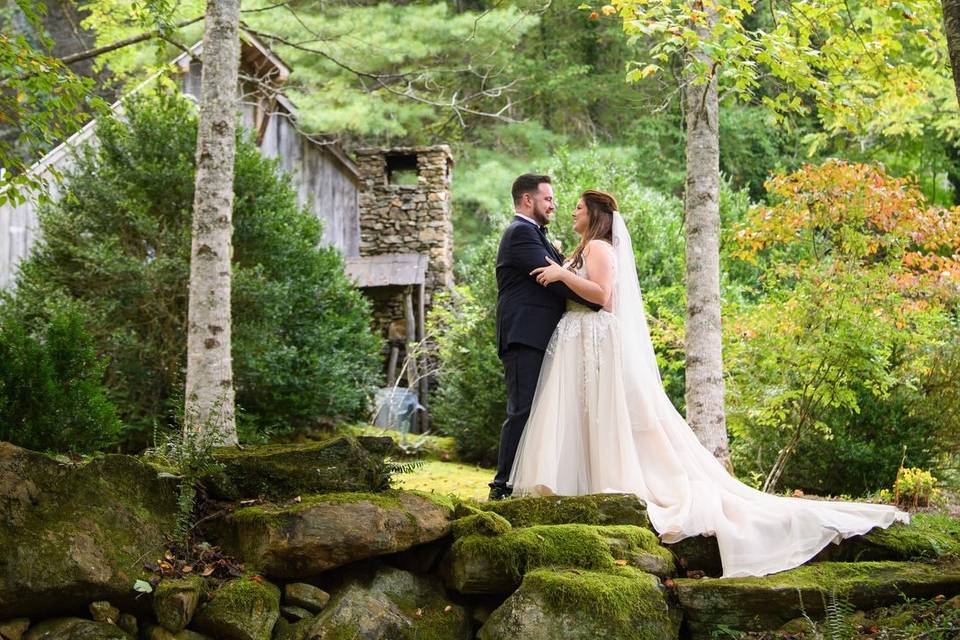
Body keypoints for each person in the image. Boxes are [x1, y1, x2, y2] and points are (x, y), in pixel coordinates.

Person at [508, 188, 909, 578]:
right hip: (580, 339)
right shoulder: (582, 247)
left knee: (602, 417)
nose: (571, 211)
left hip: (593, 337)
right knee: (585, 416)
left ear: (594, 216)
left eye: (578, 208)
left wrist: (561, 273)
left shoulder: (598, 248)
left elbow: (604, 296)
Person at [488, 174, 601, 501]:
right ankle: (501, 488)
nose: (553, 205)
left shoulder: (535, 234)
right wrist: (594, 299)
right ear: (528, 200)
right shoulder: (521, 233)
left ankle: (525, 482)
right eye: (548, 199)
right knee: (522, 409)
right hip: (525, 335)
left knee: (537, 411)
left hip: (542, 336)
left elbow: (557, 270)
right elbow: (552, 280)